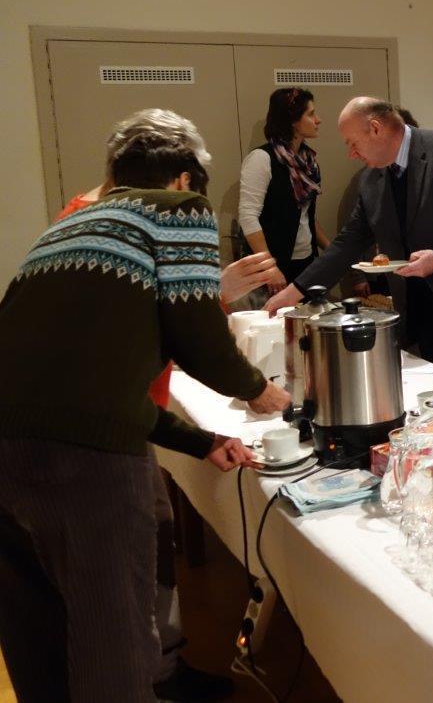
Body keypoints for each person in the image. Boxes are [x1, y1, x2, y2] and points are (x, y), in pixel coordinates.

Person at [0, 129, 291, 702]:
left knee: (37, 631)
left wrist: (202, 440)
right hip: (85, 469)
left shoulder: (69, 225)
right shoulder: (177, 208)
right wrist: (262, 392)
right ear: (184, 179)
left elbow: (97, 394)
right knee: (113, 636)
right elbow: (198, 337)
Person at [264, 98, 433, 377]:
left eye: (352, 143)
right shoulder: (370, 180)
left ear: (375, 128)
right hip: (430, 320)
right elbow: (349, 242)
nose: (351, 154)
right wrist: (294, 292)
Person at [239, 87, 330, 288]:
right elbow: (248, 216)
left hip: (306, 262)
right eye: (311, 114)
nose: (318, 120)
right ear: (292, 120)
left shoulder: (308, 161)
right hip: (273, 266)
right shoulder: (261, 159)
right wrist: (269, 267)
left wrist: (332, 252)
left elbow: (305, 215)